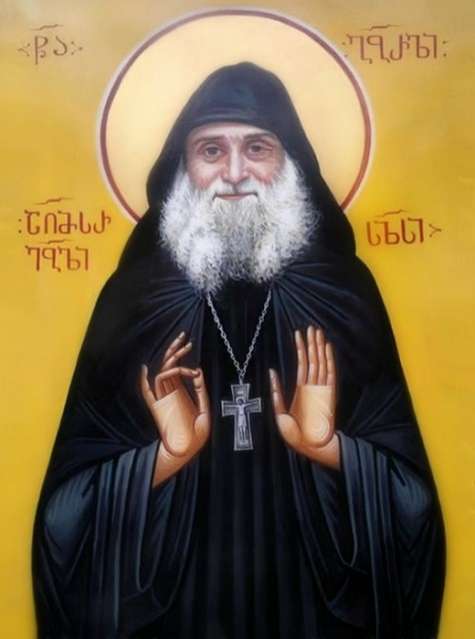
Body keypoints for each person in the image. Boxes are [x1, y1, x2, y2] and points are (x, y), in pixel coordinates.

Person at [32, 62, 445, 639]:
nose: (233, 173)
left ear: (289, 162)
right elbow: (62, 523)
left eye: (256, 148)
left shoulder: (345, 297)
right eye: (210, 151)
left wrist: (332, 450)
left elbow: (415, 510)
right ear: (182, 166)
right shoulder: (132, 303)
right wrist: (163, 459)